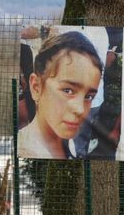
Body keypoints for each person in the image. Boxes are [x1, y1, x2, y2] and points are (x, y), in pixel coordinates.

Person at [18, 31, 103, 159]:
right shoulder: (23, 150)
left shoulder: (69, 145)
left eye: (88, 96)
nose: (80, 110)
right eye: (68, 90)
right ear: (36, 87)